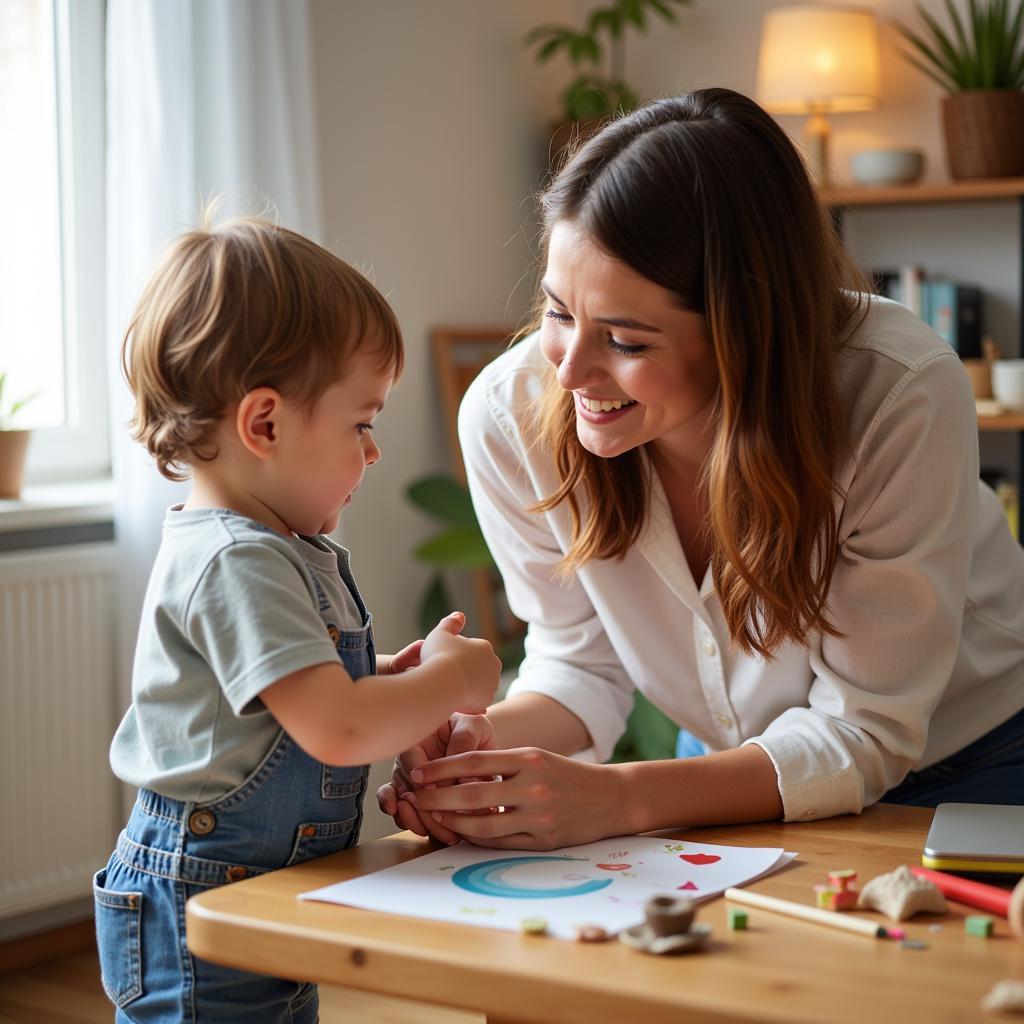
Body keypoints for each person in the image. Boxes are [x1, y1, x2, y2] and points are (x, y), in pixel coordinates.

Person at [378, 87, 1024, 851]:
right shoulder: (506, 416)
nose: (571, 370)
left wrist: (617, 796)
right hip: (731, 765)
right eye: (557, 313)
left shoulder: (895, 393)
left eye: (625, 340)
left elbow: (867, 730)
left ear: (744, 333)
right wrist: (473, 745)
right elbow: (579, 663)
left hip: (975, 758)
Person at [94, 211, 501, 1022]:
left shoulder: (276, 547)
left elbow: (293, 701)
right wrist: (454, 680)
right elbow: (336, 729)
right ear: (266, 423)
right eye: (362, 423)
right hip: (197, 903)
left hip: (252, 888)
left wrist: (391, 679)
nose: (374, 452)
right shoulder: (234, 559)